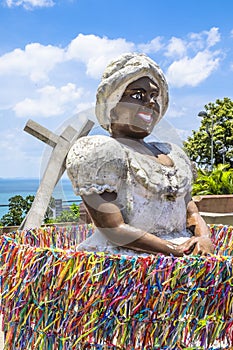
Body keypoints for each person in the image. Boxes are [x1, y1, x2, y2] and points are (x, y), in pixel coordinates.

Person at [66, 53, 214, 257]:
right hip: (126, 262)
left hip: (185, 253)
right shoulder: (100, 152)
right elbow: (113, 228)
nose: (150, 102)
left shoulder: (171, 153)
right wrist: (174, 251)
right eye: (137, 95)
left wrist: (203, 239)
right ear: (113, 107)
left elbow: (192, 213)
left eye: (154, 96)